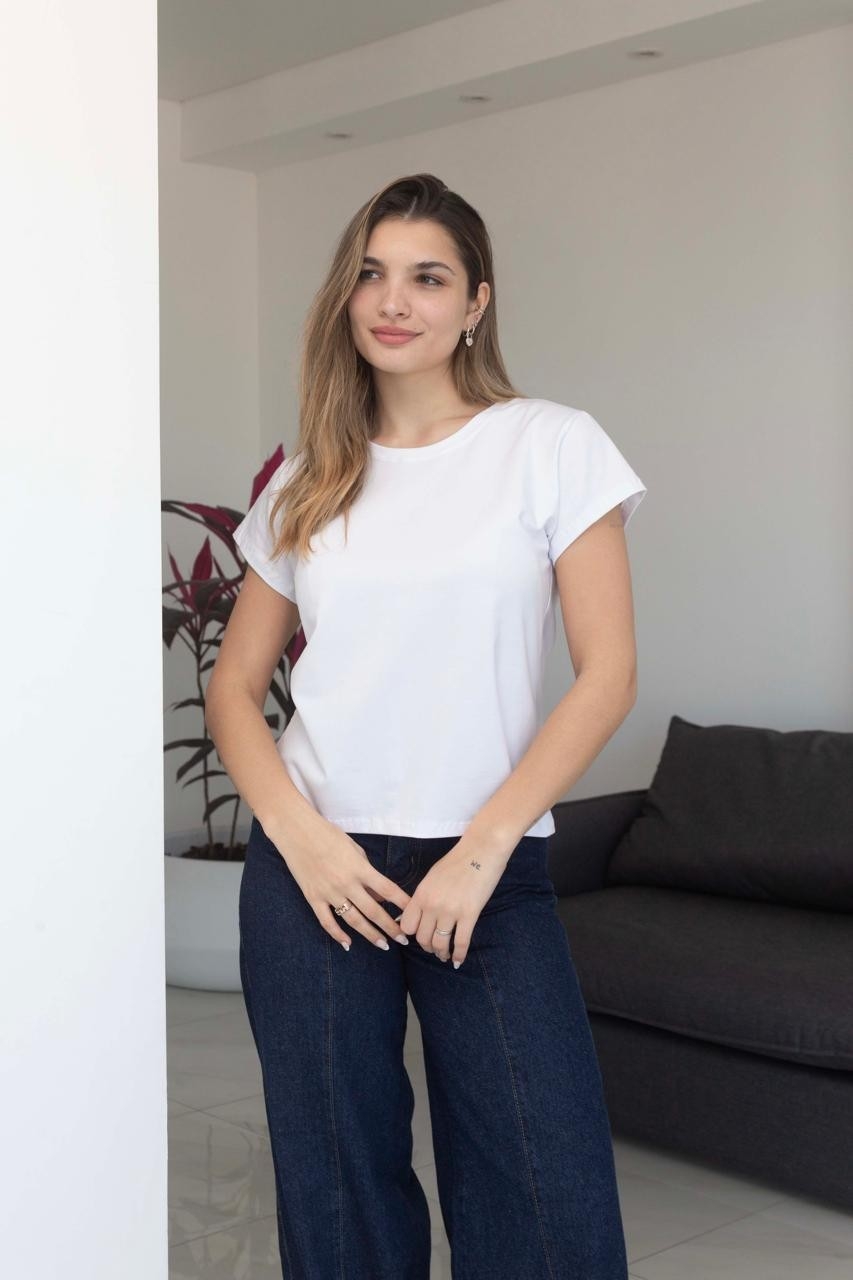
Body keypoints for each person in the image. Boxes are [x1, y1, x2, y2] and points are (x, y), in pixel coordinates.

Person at [206, 172, 647, 1280]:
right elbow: (235, 686)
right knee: (339, 1192)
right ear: (344, 295)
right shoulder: (308, 475)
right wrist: (304, 841)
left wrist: (484, 848)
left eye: (428, 277)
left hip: (487, 866)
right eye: (371, 273)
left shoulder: (550, 444)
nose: (393, 301)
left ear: (475, 303)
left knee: (546, 1197)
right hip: (317, 872)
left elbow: (606, 675)